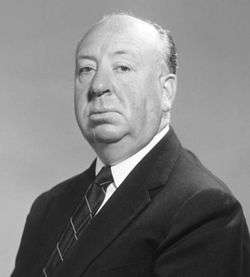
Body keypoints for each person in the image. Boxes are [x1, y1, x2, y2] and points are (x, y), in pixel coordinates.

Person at [12, 13, 250, 277]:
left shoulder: (204, 208)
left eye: (122, 67)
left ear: (166, 91)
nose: (98, 85)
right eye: (86, 69)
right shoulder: (48, 206)